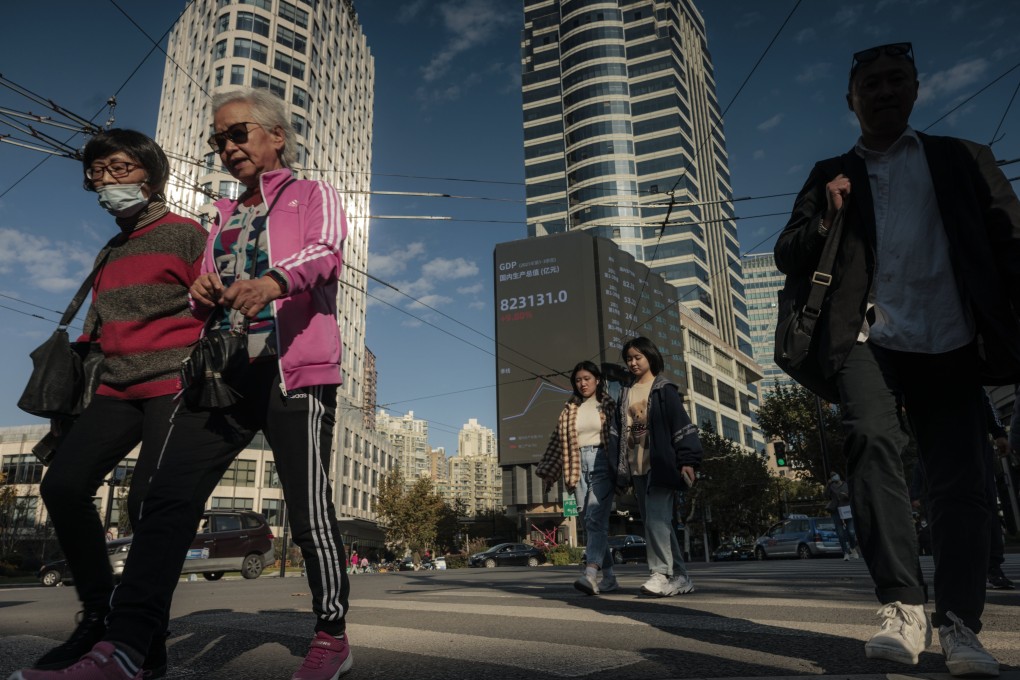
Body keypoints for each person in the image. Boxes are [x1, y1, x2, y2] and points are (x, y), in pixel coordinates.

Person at [10, 88, 352, 680]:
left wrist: (273, 282)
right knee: (164, 501)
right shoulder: (218, 216)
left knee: (307, 505)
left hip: (294, 369)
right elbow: (201, 291)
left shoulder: (310, 195)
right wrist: (203, 291)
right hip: (222, 376)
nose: (227, 147)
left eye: (238, 133)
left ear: (276, 135)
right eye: (219, 140)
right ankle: (127, 648)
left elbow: (326, 254)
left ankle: (330, 635)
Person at [774, 41, 1020, 678]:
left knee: (961, 480)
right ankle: (903, 606)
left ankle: (960, 625)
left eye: (896, 80)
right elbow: (787, 253)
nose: (884, 91)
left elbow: (1010, 242)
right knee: (871, 445)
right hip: (864, 338)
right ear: (851, 100)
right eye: (871, 84)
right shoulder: (831, 171)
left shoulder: (963, 159)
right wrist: (827, 215)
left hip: (952, 338)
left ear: (915, 88)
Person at [27, 129, 206, 677]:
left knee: (148, 502)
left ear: (151, 177)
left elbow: (216, 306)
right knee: (62, 485)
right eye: (97, 173)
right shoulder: (112, 247)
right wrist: (67, 409)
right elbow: (97, 329)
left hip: (174, 381)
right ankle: (98, 617)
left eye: (119, 169)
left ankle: (138, 639)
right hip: (115, 386)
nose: (106, 181)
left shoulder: (186, 235)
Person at [615, 337, 702, 597]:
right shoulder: (625, 393)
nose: (632, 363)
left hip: (662, 465)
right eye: (629, 358)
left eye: (637, 357)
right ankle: (682, 577)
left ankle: (661, 573)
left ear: (650, 357)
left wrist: (688, 460)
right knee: (658, 522)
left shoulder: (664, 388)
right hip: (636, 466)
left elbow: (681, 424)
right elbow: (619, 432)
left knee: (656, 520)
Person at [536, 360, 619, 596]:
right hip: (575, 466)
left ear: (597, 380)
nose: (582, 383)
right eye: (578, 380)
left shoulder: (608, 404)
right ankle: (610, 578)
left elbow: (619, 436)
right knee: (590, 522)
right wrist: (548, 472)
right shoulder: (569, 408)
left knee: (594, 518)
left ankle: (590, 573)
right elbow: (556, 442)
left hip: (602, 460)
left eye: (587, 378)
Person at [825, 473, 859, 560]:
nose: (834, 477)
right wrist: (828, 485)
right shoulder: (831, 486)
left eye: (835, 475)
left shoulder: (846, 485)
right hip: (836, 511)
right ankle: (846, 552)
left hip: (847, 509)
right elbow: (826, 496)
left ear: (839, 476)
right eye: (832, 476)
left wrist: (846, 496)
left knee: (851, 532)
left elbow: (853, 495)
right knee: (840, 533)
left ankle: (852, 547)